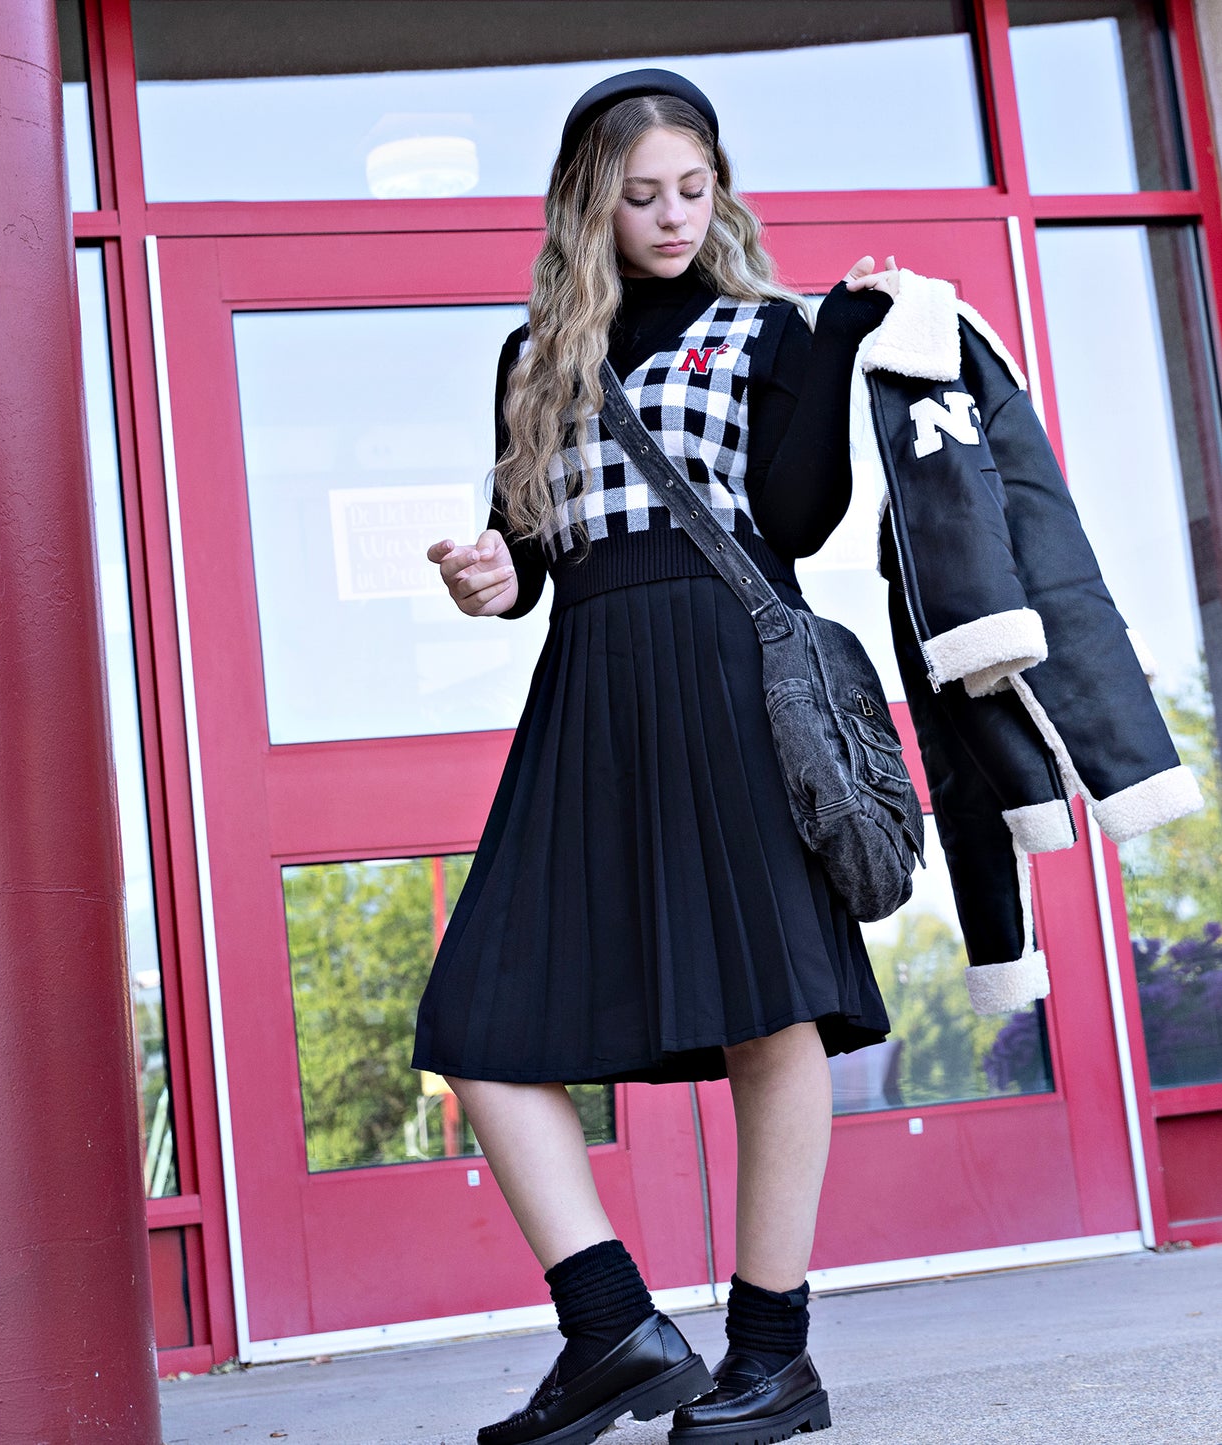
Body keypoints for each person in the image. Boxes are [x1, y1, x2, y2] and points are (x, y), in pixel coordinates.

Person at [412, 69, 899, 1445]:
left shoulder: (760, 332)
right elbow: (523, 568)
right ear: (589, 203)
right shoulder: (532, 361)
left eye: (692, 189)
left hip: (727, 681)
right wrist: (479, 572)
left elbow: (793, 523)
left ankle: (770, 1353)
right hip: (589, 695)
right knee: (478, 1026)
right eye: (641, 195)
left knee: (770, 1011)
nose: (673, 215)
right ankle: (611, 1325)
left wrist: (842, 343)